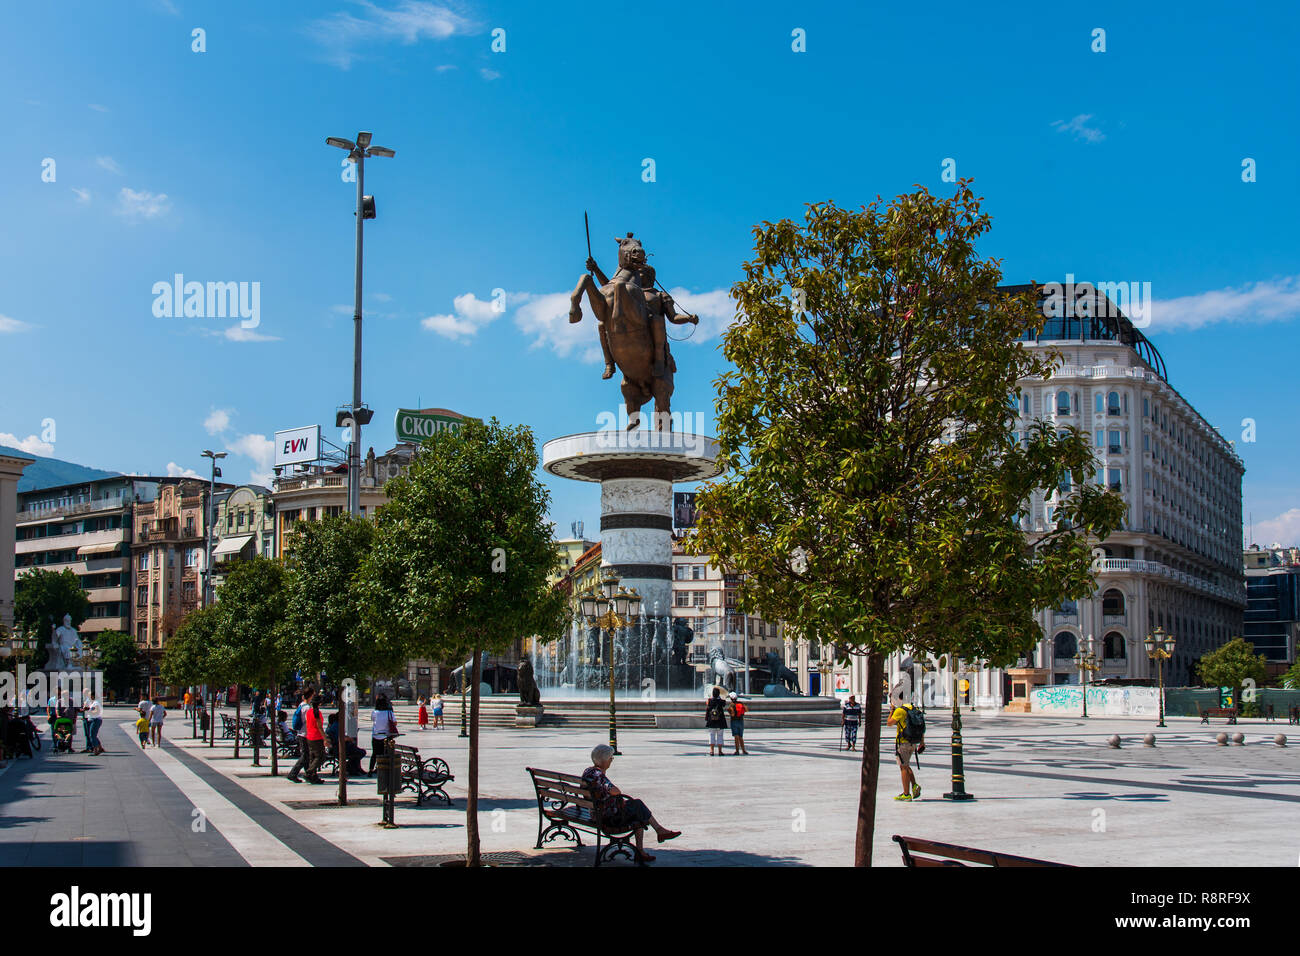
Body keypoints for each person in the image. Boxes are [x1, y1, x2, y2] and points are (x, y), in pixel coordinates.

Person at [582, 744, 680, 864]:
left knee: (637, 809)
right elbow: (615, 790)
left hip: (595, 812)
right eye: (610, 758)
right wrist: (618, 797)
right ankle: (656, 833)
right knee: (638, 806)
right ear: (603, 760)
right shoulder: (599, 775)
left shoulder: (588, 771)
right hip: (607, 816)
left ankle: (652, 839)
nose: (611, 760)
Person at [886, 686, 924, 801]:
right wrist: (922, 742)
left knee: (903, 767)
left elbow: (889, 723)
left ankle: (906, 794)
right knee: (906, 765)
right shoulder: (913, 708)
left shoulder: (900, 710)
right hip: (913, 741)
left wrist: (891, 710)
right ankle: (914, 785)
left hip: (903, 742)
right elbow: (921, 726)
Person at [367, 694, 398, 775]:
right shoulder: (389, 713)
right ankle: (382, 768)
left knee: (374, 753)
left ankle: (370, 769)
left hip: (375, 735)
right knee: (385, 753)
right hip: (386, 736)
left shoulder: (374, 712)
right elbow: (395, 723)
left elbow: (373, 720)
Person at [705, 687, 728, 756]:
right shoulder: (721, 701)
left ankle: (711, 751)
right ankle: (720, 751)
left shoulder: (709, 701)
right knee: (720, 736)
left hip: (711, 721)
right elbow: (724, 703)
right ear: (718, 694)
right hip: (720, 721)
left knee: (711, 735)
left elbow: (707, 708)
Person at [84, 690, 104, 756]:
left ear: (92, 696)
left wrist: (89, 712)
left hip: (95, 720)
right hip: (93, 719)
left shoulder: (96, 703)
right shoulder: (94, 703)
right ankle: (99, 748)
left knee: (92, 735)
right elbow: (92, 709)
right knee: (93, 735)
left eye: (89, 695)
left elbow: (96, 711)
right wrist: (88, 709)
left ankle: (95, 750)